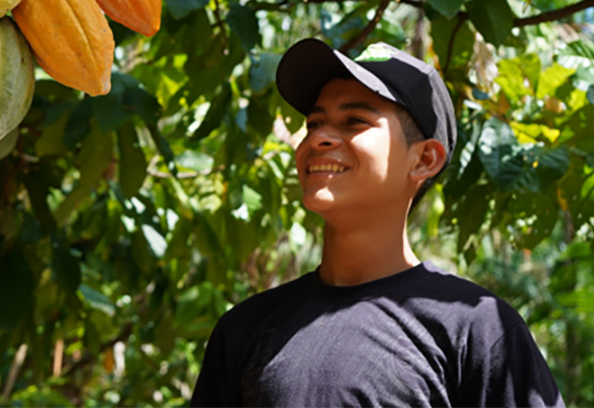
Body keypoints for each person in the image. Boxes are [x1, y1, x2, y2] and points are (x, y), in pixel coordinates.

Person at [190, 39, 563, 407]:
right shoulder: (245, 330)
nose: (318, 138)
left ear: (424, 160)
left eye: (354, 121)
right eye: (315, 122)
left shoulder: (479, 329)